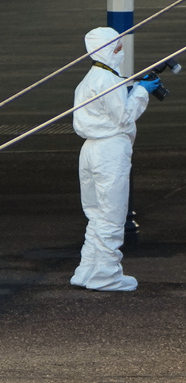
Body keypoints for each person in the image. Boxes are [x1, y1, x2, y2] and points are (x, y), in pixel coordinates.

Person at [70, 27, 161, 291]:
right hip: (109, 152)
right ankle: (107, 275)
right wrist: (142, 91)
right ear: (109, 48)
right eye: (118, 45)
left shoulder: (90, 79)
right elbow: (123, 117)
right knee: (112, 215)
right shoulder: (108, 81)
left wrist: (133, 89)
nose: (121, 50)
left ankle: (87, 270)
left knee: (96, 214)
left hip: (89, 150)